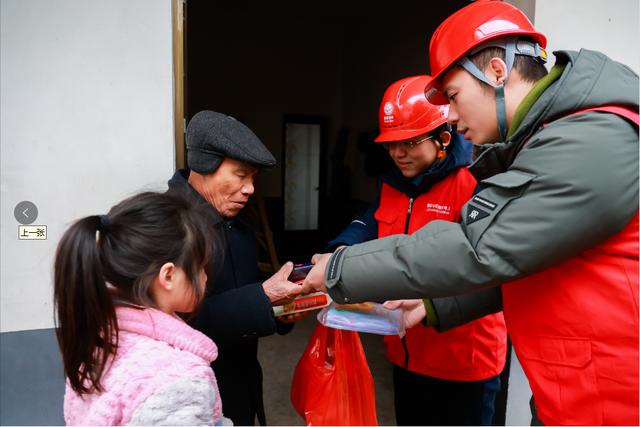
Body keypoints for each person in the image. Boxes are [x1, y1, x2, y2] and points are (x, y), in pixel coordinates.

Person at [302, 1, 639, 425]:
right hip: (573, 397)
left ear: (498, 72)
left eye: (456, 97)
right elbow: (528, 266)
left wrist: (340, 269)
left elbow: (477, 249)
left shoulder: (593, 139)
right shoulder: (549, 140)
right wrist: (434, 306)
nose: (453, 116)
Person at [324, 75, 507, 425]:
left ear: (443, 137)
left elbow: (489, 265)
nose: (397, 153)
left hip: (463, 363)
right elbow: (369, 222)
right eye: (390, 144)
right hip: (405, 352)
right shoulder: (394, 183)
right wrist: (340, 251)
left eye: (408, 142)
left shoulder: (476, 183)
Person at [168, 110, 303, 426]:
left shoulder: (238, 226)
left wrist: (281, 309)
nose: (250, 189)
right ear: (203, 166)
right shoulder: (167, 228)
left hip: (241, 390)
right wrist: (263, 297)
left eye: (253, 178)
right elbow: (173, 323)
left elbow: (246, 291)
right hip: (190, 399)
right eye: (241, 176)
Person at [54, 191, 230, 425]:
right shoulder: (178, 381)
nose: (205, 278)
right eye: (200, 267)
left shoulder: (99, 340)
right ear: (169, 275)